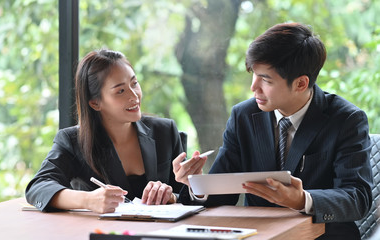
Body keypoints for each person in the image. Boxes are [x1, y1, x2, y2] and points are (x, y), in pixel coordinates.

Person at [173, 22, 373, 239]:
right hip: (259, 235)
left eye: (265, 79)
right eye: (254, 74)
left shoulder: (346, 119)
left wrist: (302, 199)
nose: (253, 87)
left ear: (301, 84)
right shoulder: (243, 116)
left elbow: (357, 198)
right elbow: (222, 194)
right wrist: (196, 184)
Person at [26, 49, 197, 213]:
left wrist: (173, 196)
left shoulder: (164, 131)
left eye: (134, 83)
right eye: (120, 90)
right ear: (95, 103)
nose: (134, 95)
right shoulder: (73, 141)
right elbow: (38, 187)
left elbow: (187, 194)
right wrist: (88, 200)